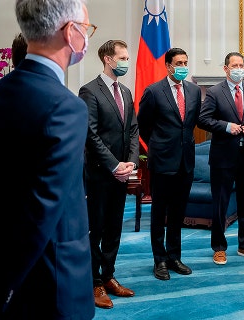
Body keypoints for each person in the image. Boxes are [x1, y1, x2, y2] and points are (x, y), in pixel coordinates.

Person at [0, 0, 95, 318]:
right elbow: (40, 210)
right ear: (70, 31)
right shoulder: (67, 107)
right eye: (87, 29)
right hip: (53, 280)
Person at [79, 39, 138, 308]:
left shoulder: (126, 92)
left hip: (122, 174)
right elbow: (90, 135)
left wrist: (131, 163)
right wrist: (115, 165)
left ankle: (109, 276)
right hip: (101, 174)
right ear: (108, 59)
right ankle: (94, 283)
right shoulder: (89, 91)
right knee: (97, 229)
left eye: (127, 57)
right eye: (122, 58)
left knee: (115, 227)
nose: (126, 62)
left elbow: (134, 131)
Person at [199, 52, 244, 265]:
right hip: (223, 157)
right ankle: (219, 247)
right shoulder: (214, 92)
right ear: (225, 69)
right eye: (234, 65)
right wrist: (225, 126)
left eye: (241, 65)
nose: (239, 68)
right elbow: (204, 119)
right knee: (220, 204)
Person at [137, 47, 201, 281]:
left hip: (186, 162)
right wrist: (159, 144)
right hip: (163, 161)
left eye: (186, 62)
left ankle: (174, 256)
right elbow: (143, 125)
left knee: (178, 212)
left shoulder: (194, 91)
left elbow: (192, 122)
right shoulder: (154, 91)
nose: (183, 66)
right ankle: (159, 259)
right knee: (159, 212)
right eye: (179, 63)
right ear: (168, 66)